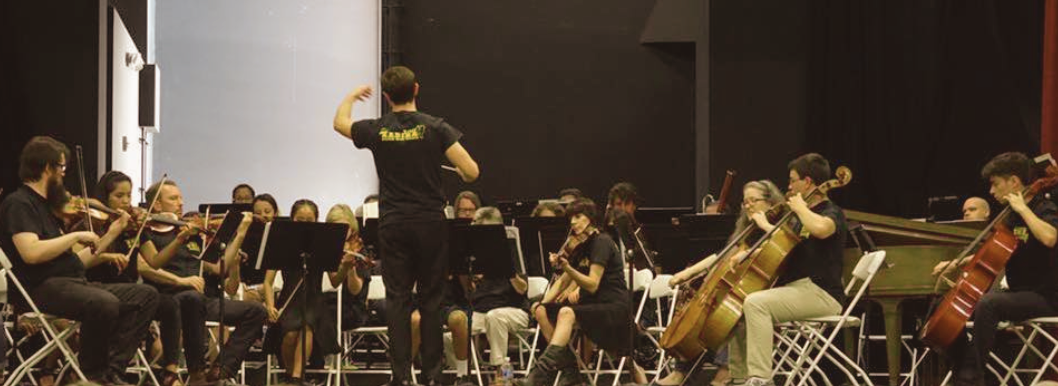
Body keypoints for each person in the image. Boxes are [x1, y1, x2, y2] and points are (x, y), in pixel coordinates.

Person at [332, 65, 480, 386]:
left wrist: (352, 96)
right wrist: (460, 173)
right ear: (416, 89)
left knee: (398, 300)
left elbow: (339, 123)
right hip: (430, 224)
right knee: (432, 300)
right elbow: (472, 172)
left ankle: (400, 377)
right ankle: (432, 376)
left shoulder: (377, 129)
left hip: (394, 224)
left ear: (387, 97)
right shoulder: (435, 127)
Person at [0, 136, 159, 385]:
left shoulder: (48, 208)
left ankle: (112, 371)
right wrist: (74, 235)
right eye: (62, 168)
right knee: (102, 302)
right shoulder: (19, 203)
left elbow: (78, 261)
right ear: (47, 168)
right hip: (38, 288)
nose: (64, 175)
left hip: (70, 283)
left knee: (145, 296)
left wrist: (112, 232)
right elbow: (30, 252)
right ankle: (93, 375)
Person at [932, 152, 1058, 386]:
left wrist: (1023, 209)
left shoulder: (1043, 207)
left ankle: (971, 379)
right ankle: (965, 369)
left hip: (1045, 296)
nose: (991, 191)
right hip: (1017, 294)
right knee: (946, 305)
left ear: (1014, 182)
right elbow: (995, 249)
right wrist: (957, 262)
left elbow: (1050, 238)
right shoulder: (1010, 217)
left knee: (989, 303)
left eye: (995, 184)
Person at [724, 153, 846, 386]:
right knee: (739, 305)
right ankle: (740, 379)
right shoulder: (800, 218)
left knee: (756, 303)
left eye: (792, 180)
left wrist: (800, 209)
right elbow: (784, 248)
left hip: (822, 293)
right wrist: (748, 254)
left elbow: (822, 230)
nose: (789, 186)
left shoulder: (830, 212)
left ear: (807, 182)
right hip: (798, 290)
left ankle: (760, 379)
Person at [659, 180, 785, 386]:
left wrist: (763, 231)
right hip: (740, 292)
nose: (748, 206)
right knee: (706, 317)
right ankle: (681, 373)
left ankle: (725, 373)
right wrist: (688, 272)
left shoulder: (779, 228)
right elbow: (721, 255)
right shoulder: (747, 229)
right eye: (745, 202)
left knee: (730, 316)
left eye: (753, 200)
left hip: (763, 297)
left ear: (770, 202)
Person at [141, 180, 266, 384]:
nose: (181, 203)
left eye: (181, 198)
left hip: (202, 300)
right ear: (156, 205)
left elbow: (218, 269)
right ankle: (196, 372)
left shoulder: (193, 234)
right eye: (174, 198)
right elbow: (150, 266)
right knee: (192, 298)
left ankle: (221, 368)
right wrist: (182, 281)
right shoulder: (147, 232)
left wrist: (240, 233)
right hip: (170, 300)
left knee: (256, 311)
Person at [520, 198, 633, 386]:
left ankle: (541, 372)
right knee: (541, 310)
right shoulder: (580, 245)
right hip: (591, 305)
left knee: (566, 312)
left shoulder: (602, 242)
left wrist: (567, 268)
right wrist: (543, 303)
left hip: (612, 306)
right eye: (571, 218)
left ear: (590, 218)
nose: (573, 222)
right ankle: (569, 369)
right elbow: (562, 282)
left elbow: (592, 284)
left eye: (578, 217)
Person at [263, 200, 362, 384]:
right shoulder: (282, 243)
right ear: (292, 219)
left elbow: (335, 281)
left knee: (307, 326)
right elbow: (268, 282)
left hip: (315, 303)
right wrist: (269, 306)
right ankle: (292, 376)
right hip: (288, 301)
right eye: (300, 220)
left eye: (309, 220)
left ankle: (295, 379)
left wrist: (345, 267)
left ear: (316, 221)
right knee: (290, 334)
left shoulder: (323, 244)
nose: (305, 224)